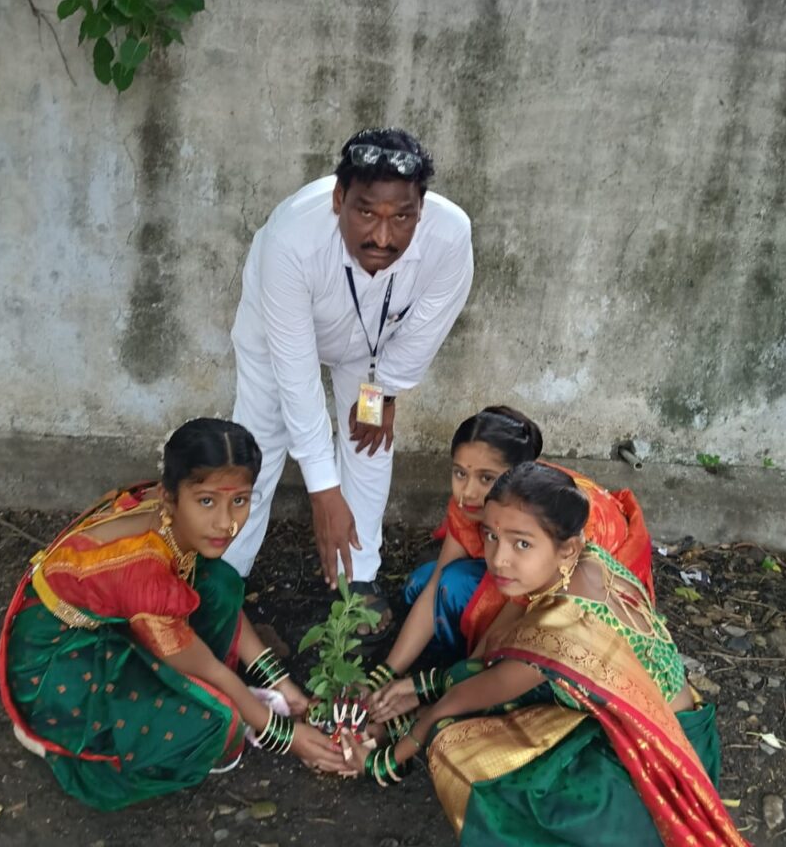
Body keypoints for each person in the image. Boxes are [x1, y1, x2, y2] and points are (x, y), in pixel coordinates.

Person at [343, 462, 747, 847]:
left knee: (456, 746)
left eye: (522, 543)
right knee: (478, 691)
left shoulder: (562, 630)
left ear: (567, 548)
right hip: (674, 735)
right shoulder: (585, 563)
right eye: (491, 536)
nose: (498, 558)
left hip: (653, 777)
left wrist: (387, 759)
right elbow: (488, 659)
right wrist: (421, 686)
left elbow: (465, 697)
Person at [0, 418, 347, 811]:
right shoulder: (144, 574)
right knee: (217, 722)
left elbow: (215, 594)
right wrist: (286, 735)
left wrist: (284, 687)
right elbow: (213, 672)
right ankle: (52, 742)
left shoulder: (167, 519)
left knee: (219, 581)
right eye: (207, 502)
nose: (226, 522)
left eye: (241, 501)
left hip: (104, 622)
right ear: (169, 497)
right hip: (53, 666)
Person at [226, 127, 473, 637]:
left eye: (401, 217)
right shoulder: (291, 238)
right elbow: (296, 373)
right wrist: (322, 491)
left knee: (368, 441)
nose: (383, 237)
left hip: (372, 353)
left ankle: (357, 579)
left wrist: (385, 389)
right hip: (279, 332)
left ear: (420, 209)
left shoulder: (451, 236)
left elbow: (427, 324)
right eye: (366, 213)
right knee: (260, 442)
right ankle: (223, 577)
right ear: (339, 199)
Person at [379, 406, 655, 674]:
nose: (467, 492)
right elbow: (436, 581)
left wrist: (445, 685)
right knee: (422, 584)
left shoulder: (551, 519)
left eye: (486, 478)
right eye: (460, 473)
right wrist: (385, 674)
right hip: (527, 576)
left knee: (453, 588)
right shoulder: (475, 503)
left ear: (518, 477)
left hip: (570, 615)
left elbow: (521, 610)